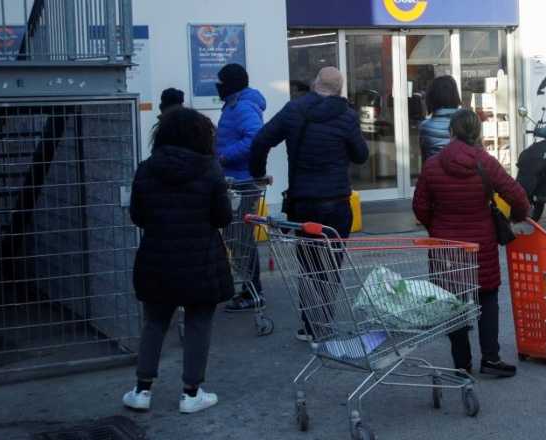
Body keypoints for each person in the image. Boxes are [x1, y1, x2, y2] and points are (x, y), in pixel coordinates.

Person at [122, 107, 234, 414]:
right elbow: (223, 217)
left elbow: (137, 216)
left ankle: (142, 390)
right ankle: (191, 393)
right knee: (199, 322)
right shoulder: (210, 169)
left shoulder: (146, 168)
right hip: (201, 259)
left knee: (155, 322)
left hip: (157, 257)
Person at [250, 67, 369, 342]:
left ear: (316, 83)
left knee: (309, 263)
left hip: (303, 202)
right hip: (337, 202)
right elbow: (361, 155)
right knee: (331, 262)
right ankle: (322, 322)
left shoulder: (294, 110)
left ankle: (309, 323)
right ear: (340, 89)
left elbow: (260, 141)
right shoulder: (347, 116)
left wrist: (258, 173)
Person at [413, 109, 530, 378]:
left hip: (446, 247)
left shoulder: (433, 164)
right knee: (487, 297)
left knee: (452, 300)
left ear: (451, 132)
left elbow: (419, 206)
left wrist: (436, 226)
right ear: (477, 133)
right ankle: (490, 358)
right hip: (481, 245)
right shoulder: (484, 162)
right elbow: (518, 196)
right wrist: (516, 218)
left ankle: (461, 364)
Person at [214, 63, 268, 312]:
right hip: (236, 180)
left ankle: (252, 291)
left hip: (242, 182)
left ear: (230, 84)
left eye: (220, 81)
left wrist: (224, 157)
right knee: (236, 237)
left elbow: (255, 137)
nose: (217, 86)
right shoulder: (234, 103)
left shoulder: (243, 106)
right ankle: (249, 288)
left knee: (240, 238)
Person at [418, 75, 461, 163]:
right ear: (455, 95)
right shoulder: (467, 121)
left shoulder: (425, 127)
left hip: (435, 174)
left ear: (431, 97)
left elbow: (425, 159)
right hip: (465, 174)